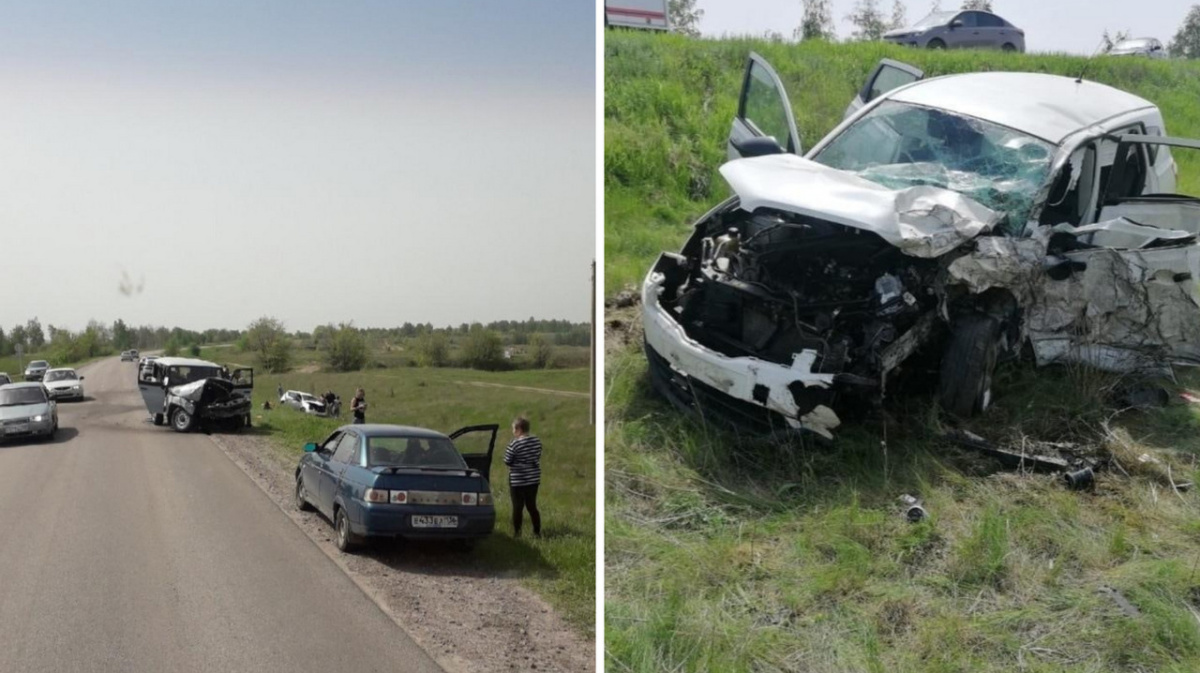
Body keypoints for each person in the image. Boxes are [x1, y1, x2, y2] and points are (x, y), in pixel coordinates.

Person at [503, 416, 542, 538]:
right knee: (532, 506)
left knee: (517, 507)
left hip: (517, 480)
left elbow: (507, 460)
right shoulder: (536, 441)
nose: (513, 432)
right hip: (533, 479)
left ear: (519, 429)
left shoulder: (515, 444)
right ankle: (536, 532)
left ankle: (517, 533)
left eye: (513, 429)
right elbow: (537, 456)